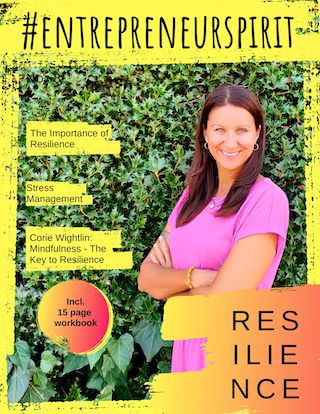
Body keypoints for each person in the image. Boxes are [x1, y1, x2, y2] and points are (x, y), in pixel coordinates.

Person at [137, 83, 289, 373]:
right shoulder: (192, 198)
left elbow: (225, 302)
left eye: (241, 130)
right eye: (219, 129)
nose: (230, 142)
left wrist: (173, 291)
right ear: (205, 133)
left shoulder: (266, 200)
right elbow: (146, 278)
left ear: (257, 133)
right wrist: (198, 278)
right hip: (188, 358)